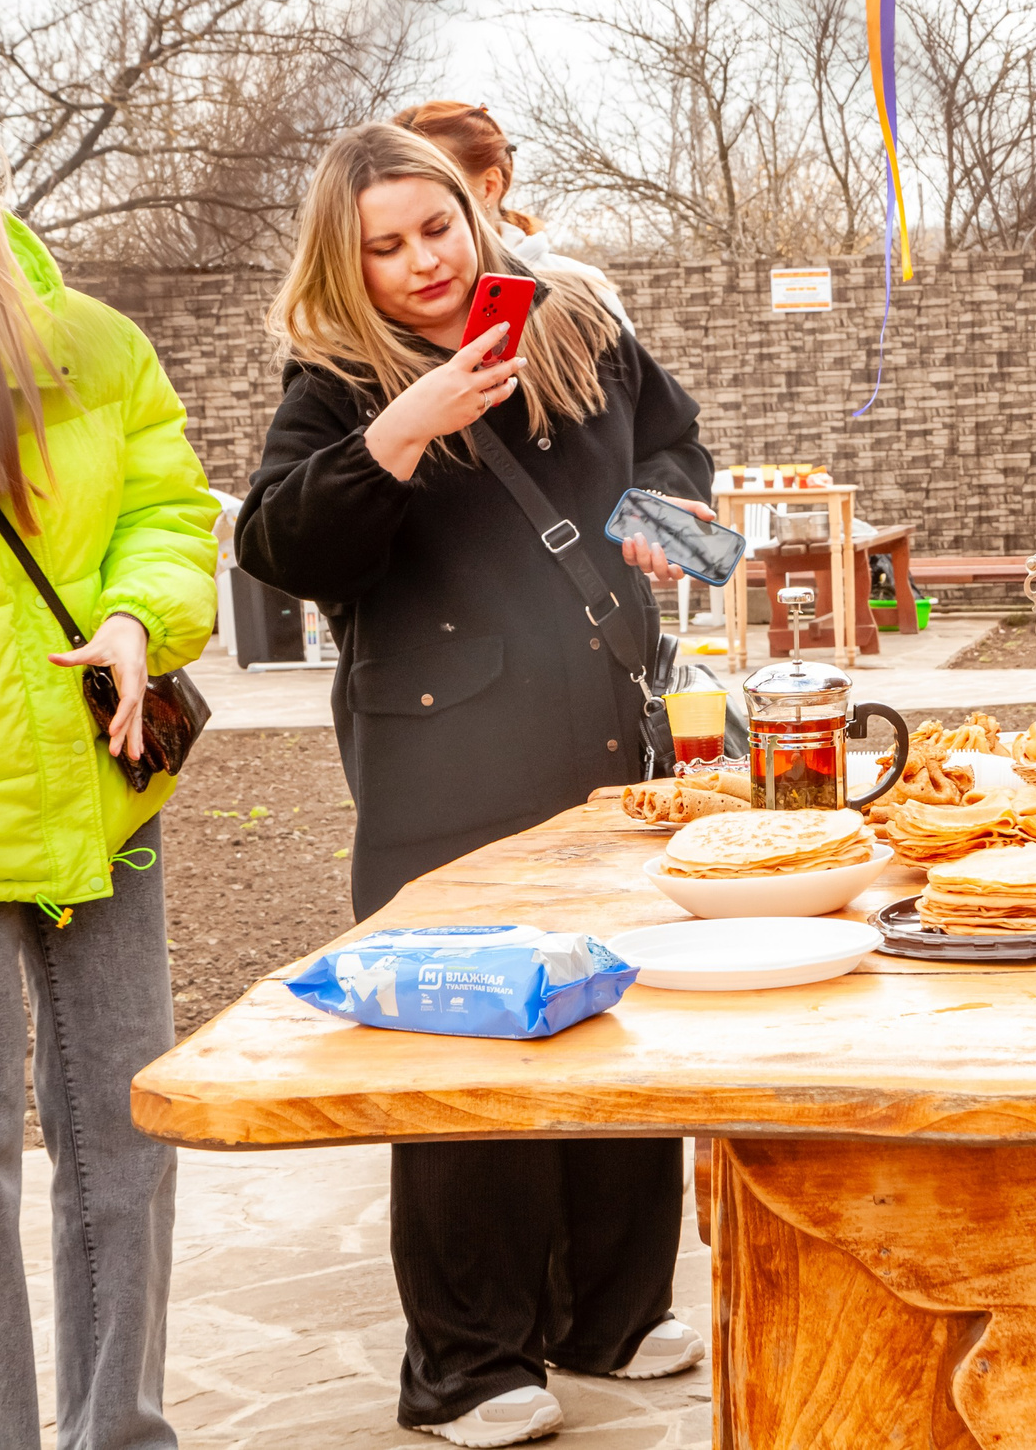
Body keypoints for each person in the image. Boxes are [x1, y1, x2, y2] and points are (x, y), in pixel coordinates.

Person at [238, 122, 717, 1448]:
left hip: (605, 738)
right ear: (348, 261)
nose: (420, 263)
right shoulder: (338, 380)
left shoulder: (579, 329)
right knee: (462, 1052)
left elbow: (680, 449)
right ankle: (465, 1361)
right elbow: (282, 547)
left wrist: (662, 532)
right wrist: (397, 433)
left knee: (608, 1020)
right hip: (443, 759)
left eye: (434, 228)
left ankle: (609, 1314)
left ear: (475, 211)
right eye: (382, 247)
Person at [0, 55, 218, 1450]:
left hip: (104, 786)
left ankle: (121, 1433)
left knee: (125, 1148)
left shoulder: (91, 341)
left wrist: (132, 616)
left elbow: (168, 507)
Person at [393, 100, 634, 334]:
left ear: (489, 186)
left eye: (442, 185)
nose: (424, 263)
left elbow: (631, 374)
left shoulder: (581, 291)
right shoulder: (390, 303)